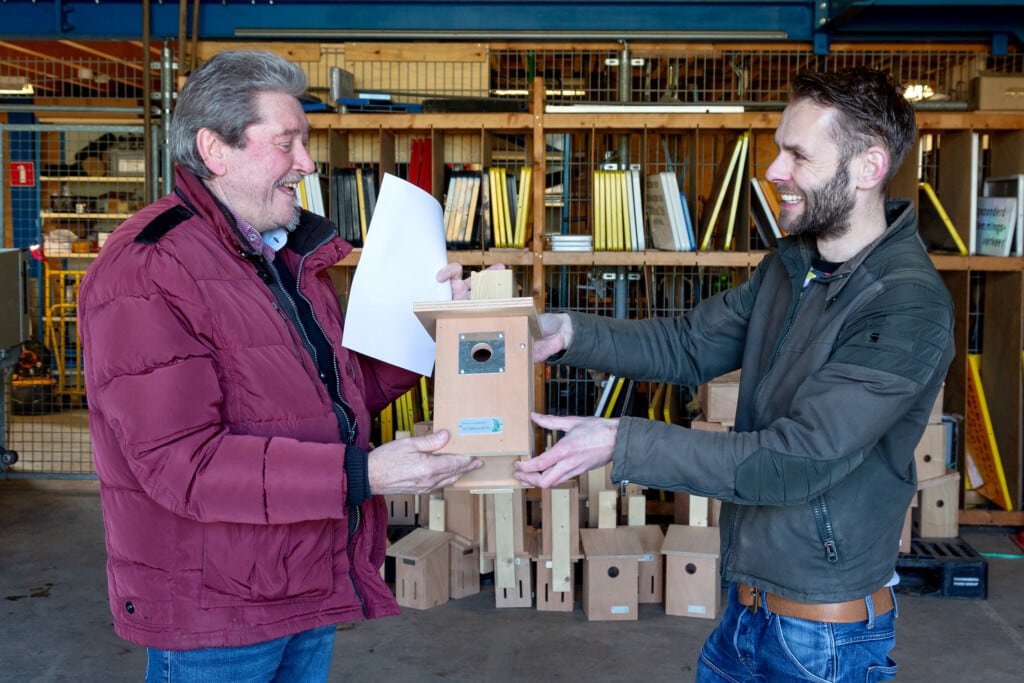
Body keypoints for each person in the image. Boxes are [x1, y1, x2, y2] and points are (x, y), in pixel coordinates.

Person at [516, 66, 954, 682]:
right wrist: (565, 331)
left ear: (868, 167)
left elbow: (798, 459)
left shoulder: (905, 304)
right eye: (779, 151)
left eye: (798, 155)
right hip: (746, 610)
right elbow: (687, 345)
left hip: (823, 639)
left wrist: (622, 441)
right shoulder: (793, 266)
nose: (774, 171)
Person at [79, 50, 483, 681]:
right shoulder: (150, 268)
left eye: (305, 142)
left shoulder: (280, 255)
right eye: (286, 143)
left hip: (301, 578)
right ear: (215, 149)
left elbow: (336, 395)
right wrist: (362, 475)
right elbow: (183, 464)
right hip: (219, 606)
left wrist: (431, 329)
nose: (307, 163)